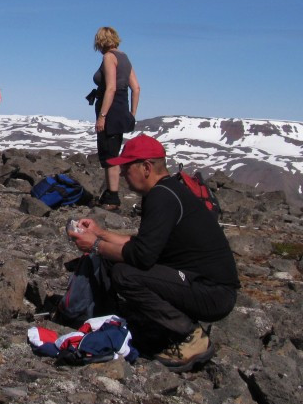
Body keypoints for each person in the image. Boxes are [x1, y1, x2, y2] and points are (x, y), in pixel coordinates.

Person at [70, 134, 239, 372]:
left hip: (212, 293)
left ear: (146, 167)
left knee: (124, 274)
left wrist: (95, 246)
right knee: (117, 260)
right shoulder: (167, 191)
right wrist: (100, 234)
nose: (123, 174)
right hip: (206, 287)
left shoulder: (162, 197)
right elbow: (144, 244)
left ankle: (190, 337)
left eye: (127, 167)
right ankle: (149, 324)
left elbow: (142, 256)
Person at [90, 26, 140, 211]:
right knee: (113, 151)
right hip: (121, 108)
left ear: (100, 41)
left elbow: (110, 88)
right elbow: (136, 88)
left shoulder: (109, 57)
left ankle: (113, 198)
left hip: (110, 109)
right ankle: (110, 195)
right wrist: (132, 113)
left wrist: (102, 116)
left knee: (109, 155)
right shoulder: (124, 57)